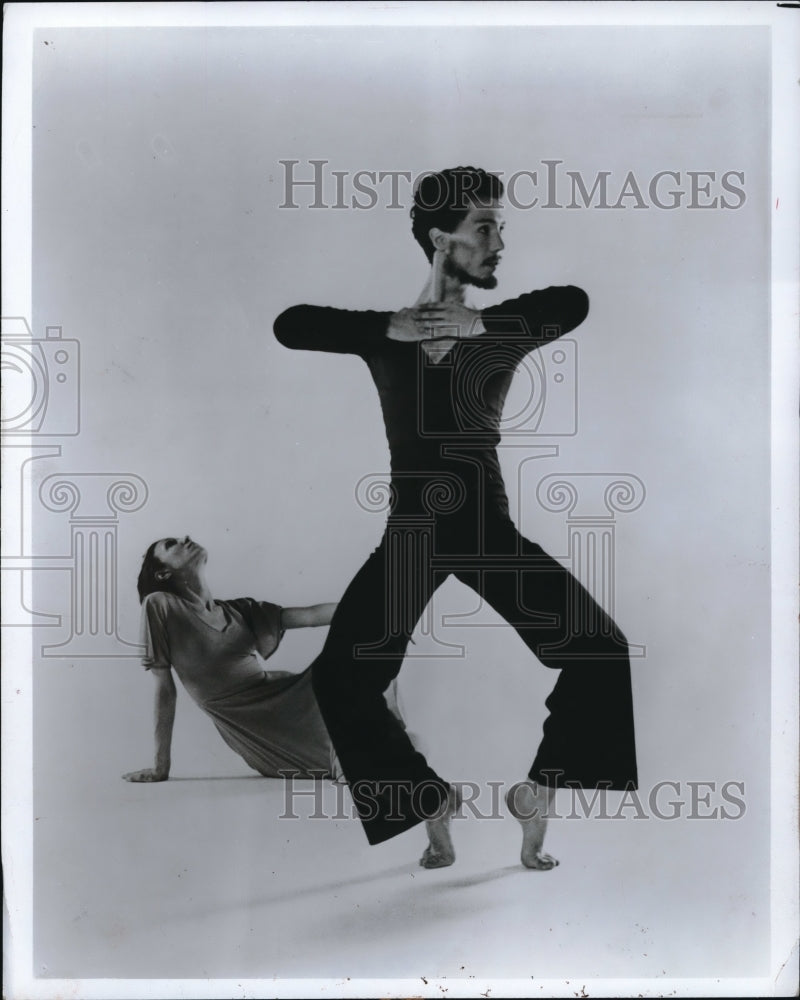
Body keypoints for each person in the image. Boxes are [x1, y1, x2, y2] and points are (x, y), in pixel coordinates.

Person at [273, 166, 637, 869]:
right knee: (341, 678)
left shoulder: (502, 331)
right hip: (410, 538)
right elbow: (292, 325)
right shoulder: (385, 337)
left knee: (600, 650)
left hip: (483, 532)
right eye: (485, 227)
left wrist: (481, 322)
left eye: (501, 226)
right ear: (443, 239)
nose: (500, 241)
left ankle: (538, 792)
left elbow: (575, 300)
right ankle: (427, 799)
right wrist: (390, 323)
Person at [124, 535, 404, 783]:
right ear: (162, 573)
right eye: (170, 544)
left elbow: (310, 616)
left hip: (284, 697)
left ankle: (382, 745)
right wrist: (161, 767)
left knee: (374, 643)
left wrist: (380, 613)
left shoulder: (239, 611)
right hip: (256, 723)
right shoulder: (160, 605)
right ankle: (367, 754)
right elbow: (164, 688)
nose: (184, 538)